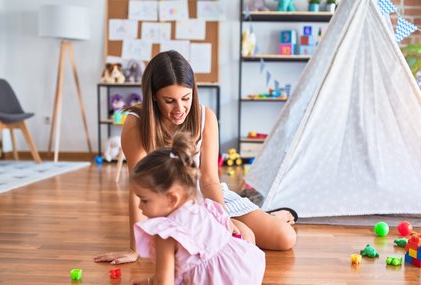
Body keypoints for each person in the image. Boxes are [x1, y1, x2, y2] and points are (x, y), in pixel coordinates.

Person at [94, 50, 296, 265]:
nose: (179, 109)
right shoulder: (136, 123)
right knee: (244, 237)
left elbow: (209, 179)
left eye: (186, 98)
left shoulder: (205, 117)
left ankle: (274, 215)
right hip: (171, 205)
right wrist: (134, 249)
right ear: (153, 95)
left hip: (208, 195)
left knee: (286, 238)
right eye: (169, 100)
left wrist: (223, 218)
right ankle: (252, 218)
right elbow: (139, 188)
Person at [124, 132, 265, 285]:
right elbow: (186, 264)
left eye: (145, 200)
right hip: (239, 281)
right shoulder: (200, 207)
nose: (140, 208)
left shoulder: (167, 233)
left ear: (172, 198)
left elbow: (165, 281)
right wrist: (149, 283)